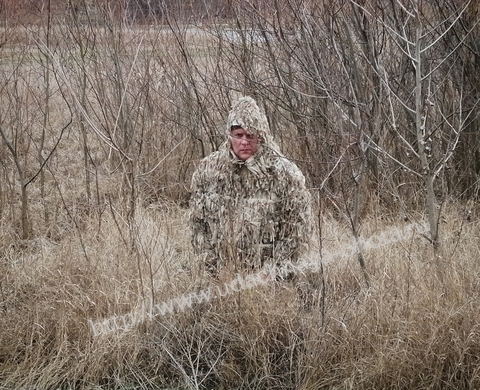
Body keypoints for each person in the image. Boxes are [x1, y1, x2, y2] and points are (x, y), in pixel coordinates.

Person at [189, 96, 313, 278]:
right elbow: (198, 225)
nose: (244, 142)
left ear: (260, 137)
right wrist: (210, 270)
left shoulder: (284, 173)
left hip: (269, 281)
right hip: (221, 276)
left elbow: (297, 234)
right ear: (230, 136)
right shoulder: (208, 170)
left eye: (251, 136)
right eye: (239, 135)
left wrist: (276, 276)